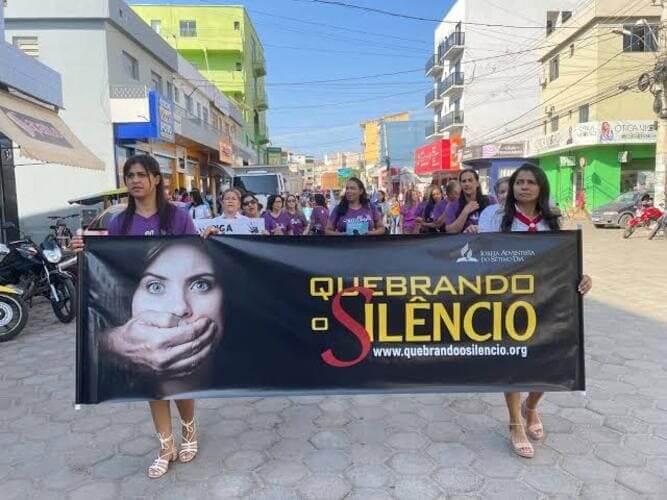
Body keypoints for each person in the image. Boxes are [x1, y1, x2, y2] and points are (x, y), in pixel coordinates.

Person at [70, 154, 218, 479]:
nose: (135, 181)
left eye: (141, 174)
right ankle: (165, 446)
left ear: (156, 179)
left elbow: (195, 253)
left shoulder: (177, 217)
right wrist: (84, 248)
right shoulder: (119, 223)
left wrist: (208, 240)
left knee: (181, 375)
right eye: (130, 176)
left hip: (179, 309)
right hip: (143, 311)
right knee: (153, 379)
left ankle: (189, 431)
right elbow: (111, 264)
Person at [479, 163, 592, 459]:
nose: (524, 187)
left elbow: (565, 260)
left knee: (548, 359)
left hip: (547, 301)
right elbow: (481, 255)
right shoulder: (496, 218)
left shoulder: (553, 220)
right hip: (508, 301)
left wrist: (582, 277)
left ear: (541, 187)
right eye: (519, 182)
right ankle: (515, 423)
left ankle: (531, 407)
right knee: (512, 361)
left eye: (530, 182)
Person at [443, 169, 494, 234]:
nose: (467, 184)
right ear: (460, 185)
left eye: (470, 180)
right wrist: (465, 212)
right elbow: (450, 231)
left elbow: (500, 225)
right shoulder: (452, 205)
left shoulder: (491, 200)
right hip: (463, 240)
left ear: (477, 183)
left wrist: (481, 228)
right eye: (464, 181)